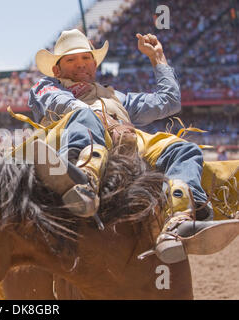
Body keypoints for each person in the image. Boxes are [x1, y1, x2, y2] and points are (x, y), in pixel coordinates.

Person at [27, 29, 239, 264]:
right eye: (71, 59)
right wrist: (102, 118)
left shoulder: (116, 96)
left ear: (95, 63)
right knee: (83, 117)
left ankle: (182, 215)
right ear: (57, 69)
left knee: (183, 149)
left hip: (126, 143)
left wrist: (157, 59)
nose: (81, 64)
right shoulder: (46, 86)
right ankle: (79, 180)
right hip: (76, 140)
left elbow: (168, 102)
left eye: (86, 58)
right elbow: (61, 103)